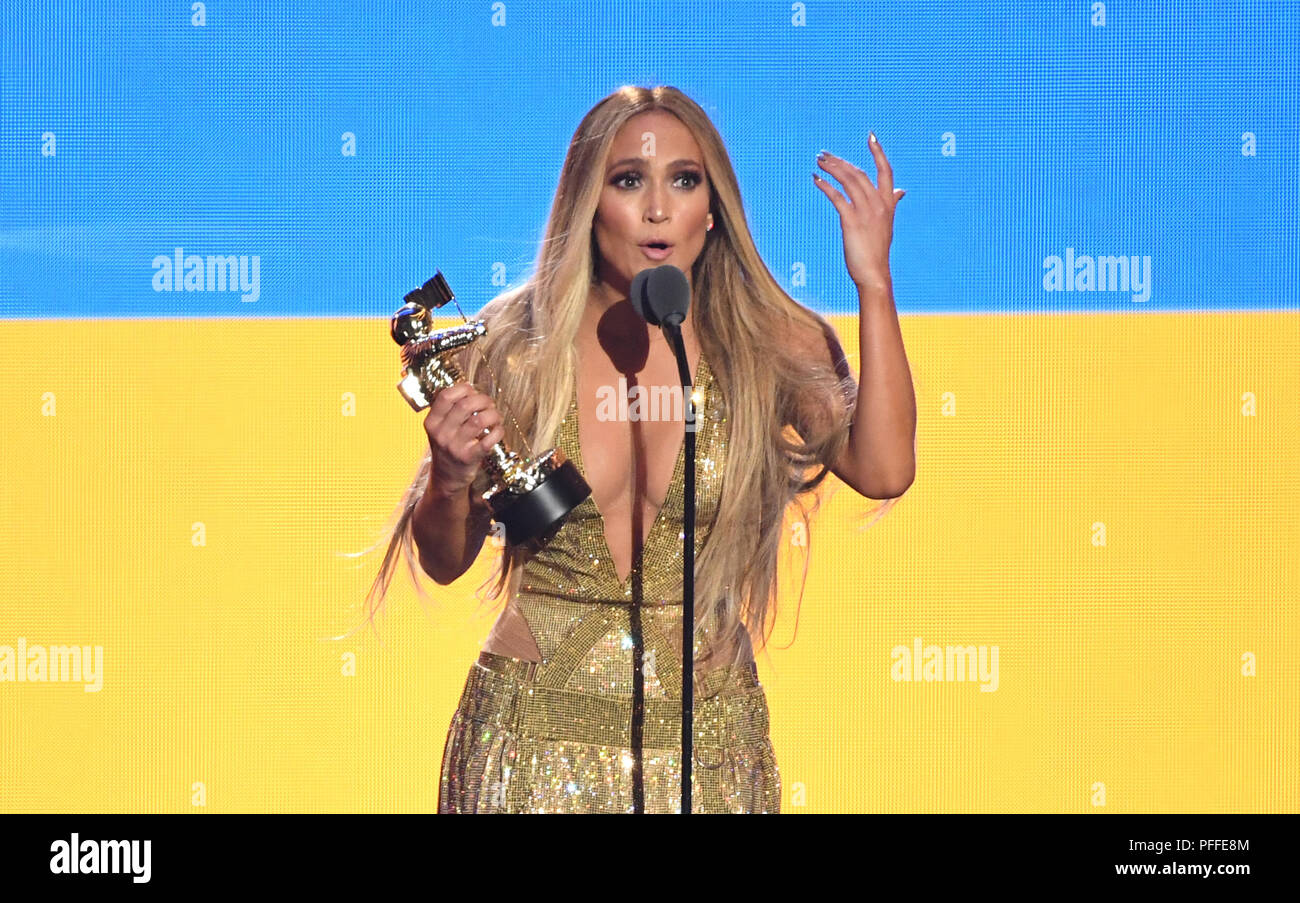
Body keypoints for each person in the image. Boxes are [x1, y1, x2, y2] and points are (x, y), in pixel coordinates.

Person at [359, 85, 916, 813]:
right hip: (531, 745)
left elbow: (884, 468)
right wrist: (450, 476)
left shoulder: (767, 342)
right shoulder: (514, 347)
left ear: (712, 208)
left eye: (683, 181)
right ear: (589, 204)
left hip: (708, 748)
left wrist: (874, 283)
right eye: (629, 181)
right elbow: (443, 557)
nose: (658, 209)